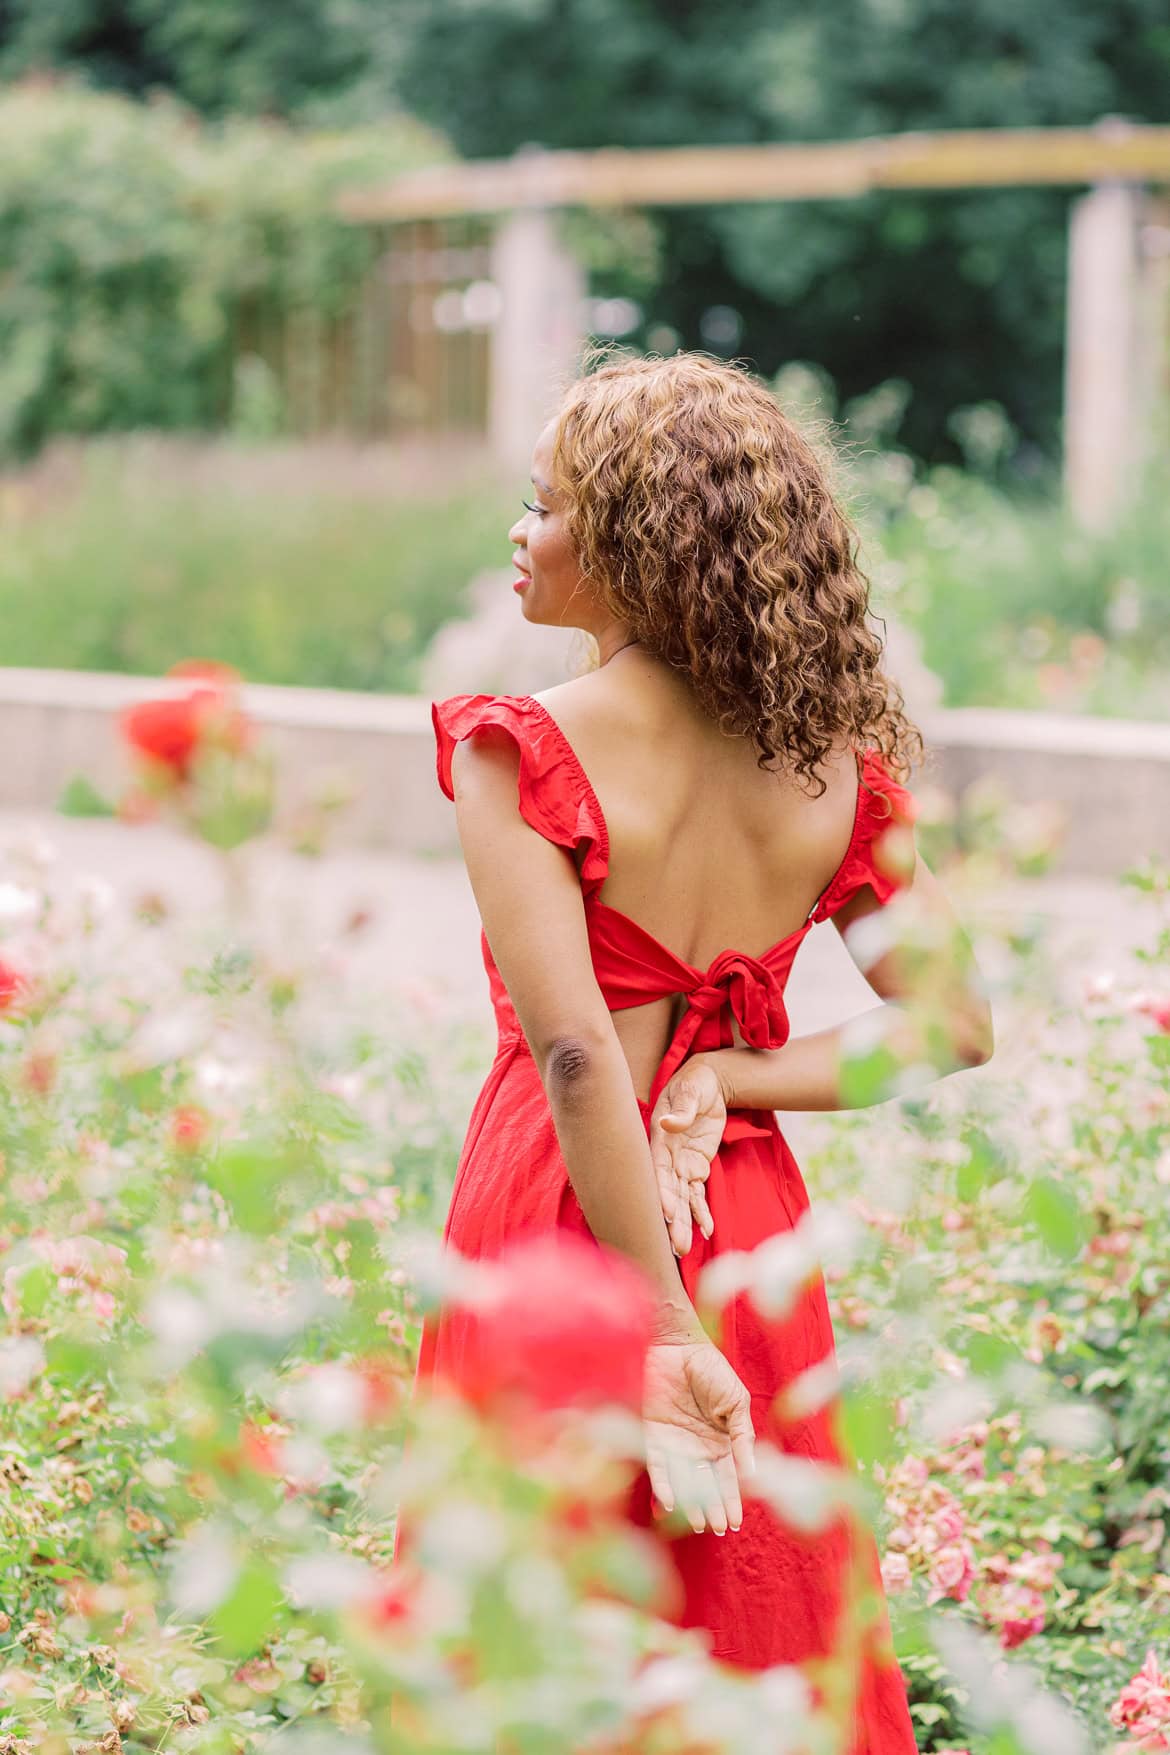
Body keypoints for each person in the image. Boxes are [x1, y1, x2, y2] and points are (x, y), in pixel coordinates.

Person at [411, 351, 993, 1750]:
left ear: (631, 542)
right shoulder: (833, 763)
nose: (520, 531)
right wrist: (731, 1077)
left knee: (540, 1617)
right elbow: (953, 1028)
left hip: (571, 1223)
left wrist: (660, 1327)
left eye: (545, 505)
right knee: (756, 1613)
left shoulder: (524, 747)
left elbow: (572, 1060)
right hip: (738, 1217)